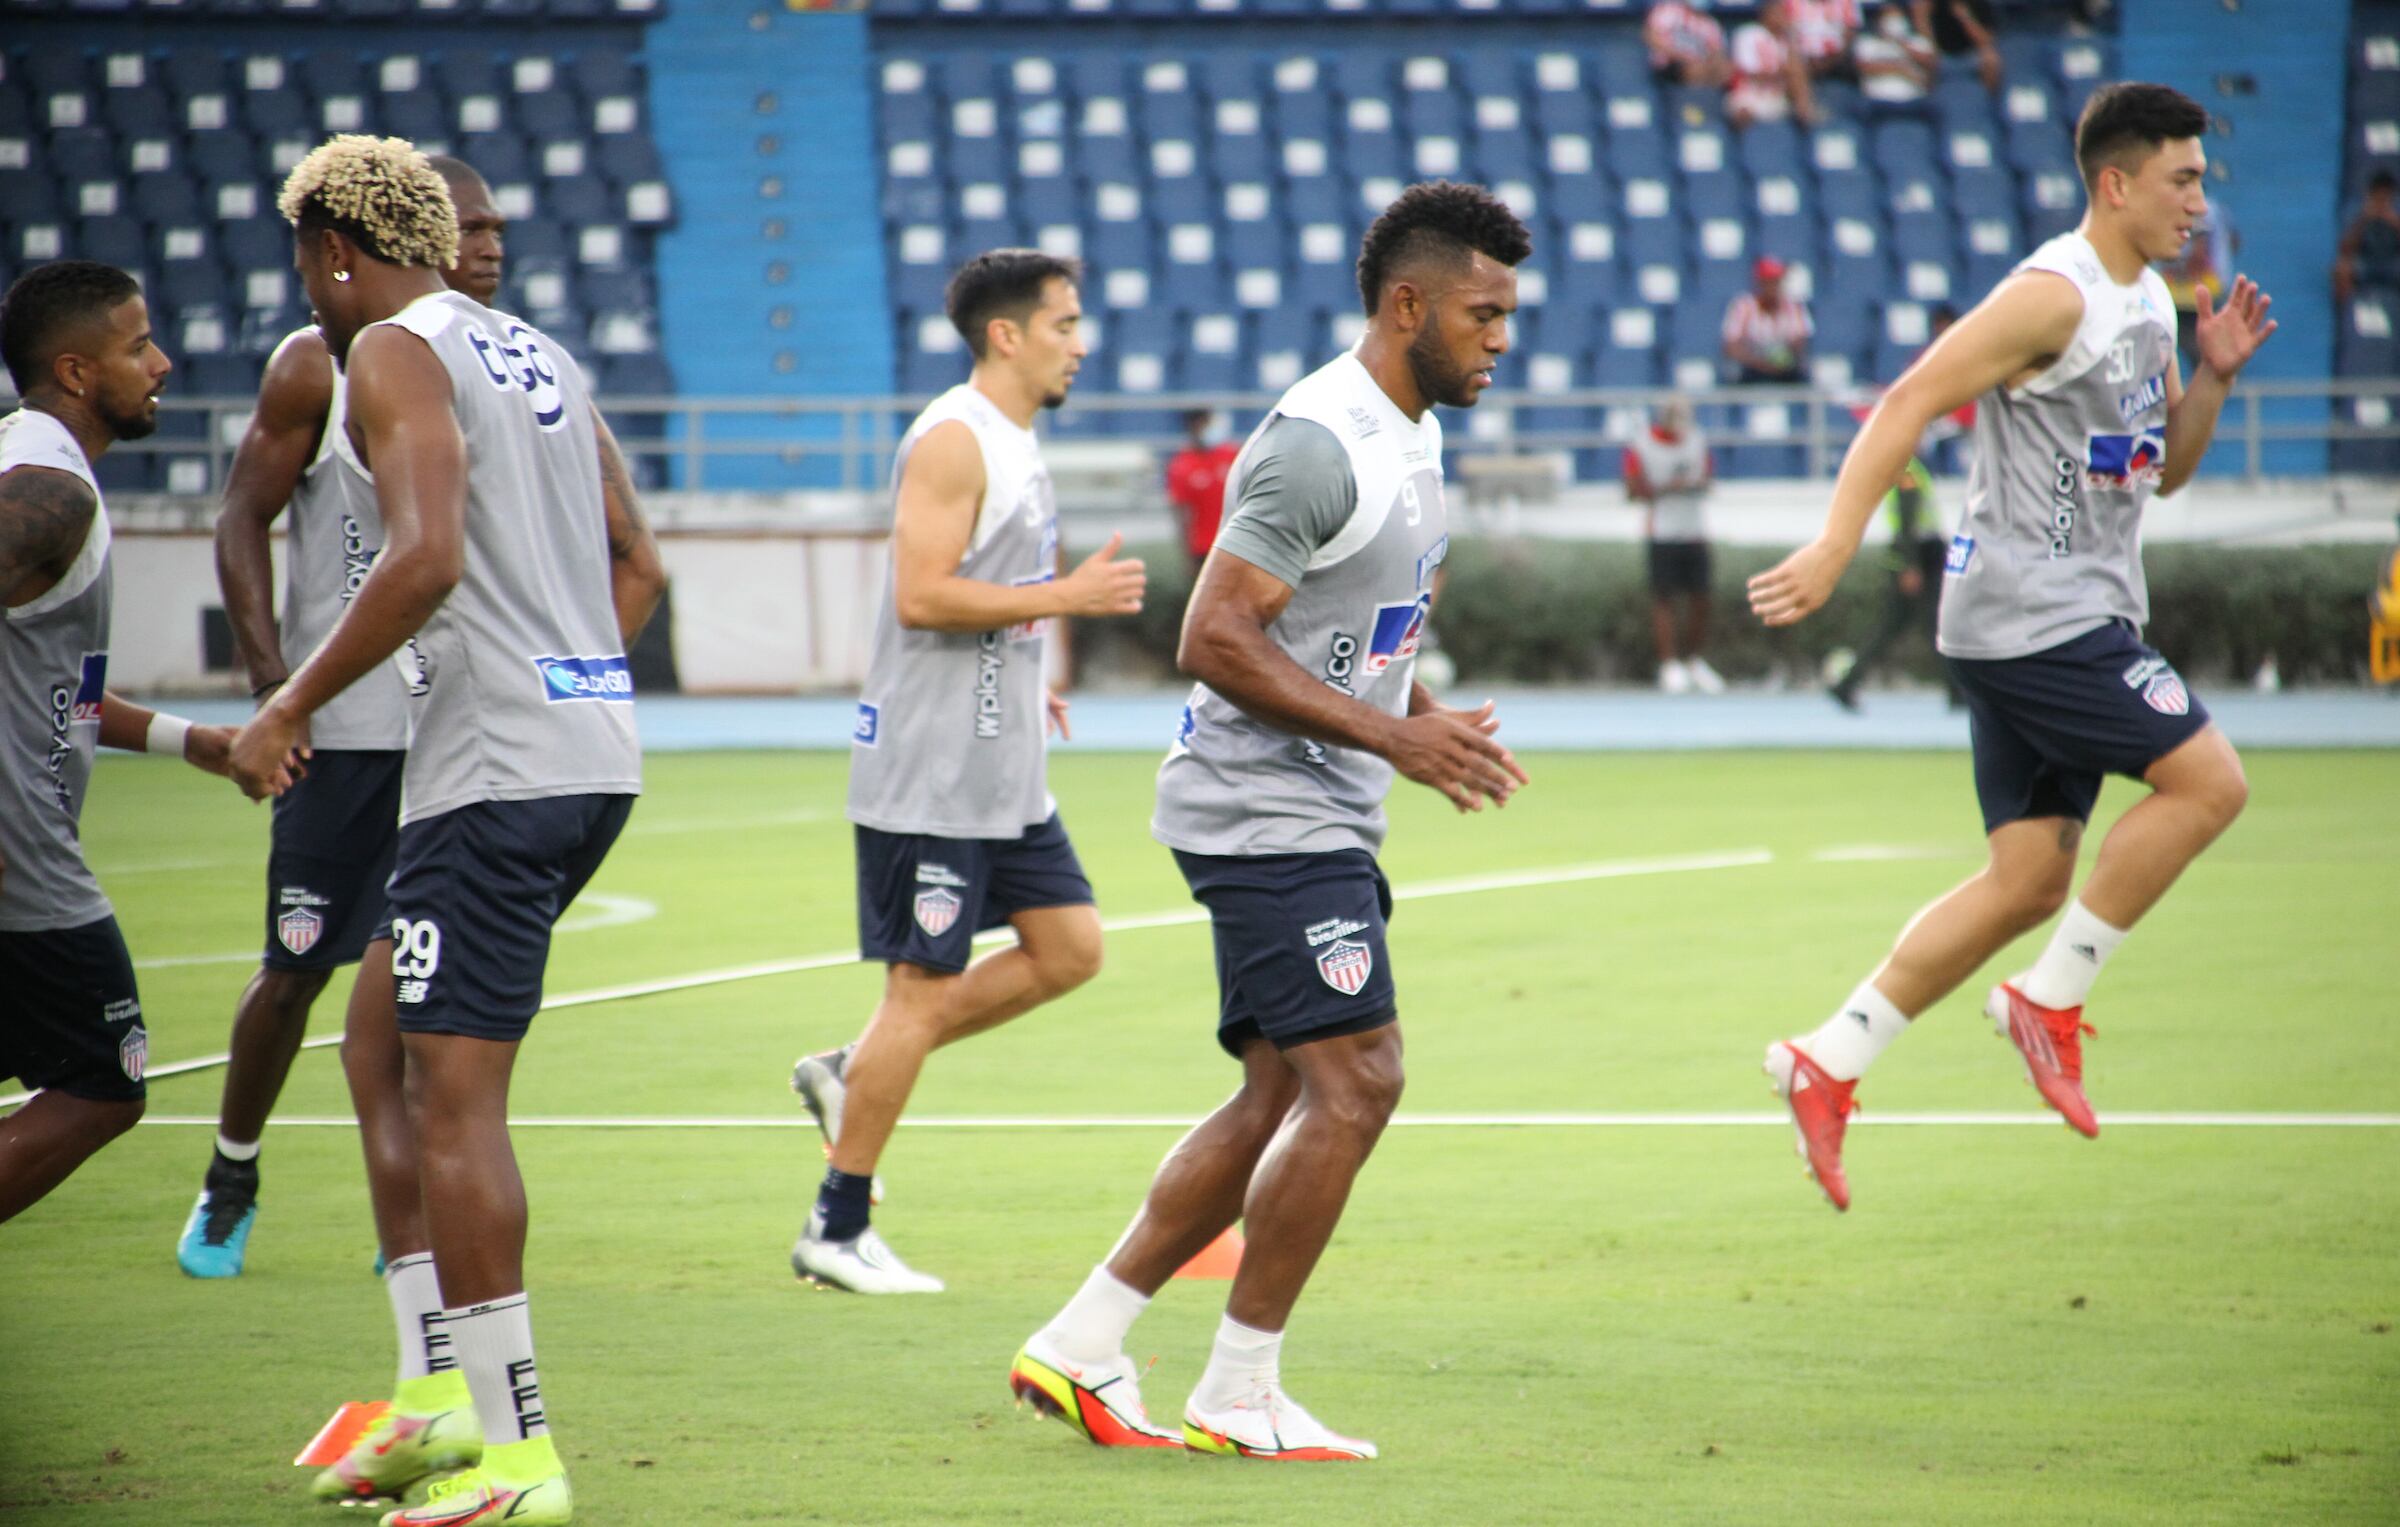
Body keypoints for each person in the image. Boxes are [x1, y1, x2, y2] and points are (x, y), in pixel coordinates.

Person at [1010, 181, 1530, 1462]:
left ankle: (1080, 1345)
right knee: (1360, 1082)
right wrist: (1397, 736)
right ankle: (1238, 1392)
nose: (1500, 338)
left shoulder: (1414, 431)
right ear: (1407, 303)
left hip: (1313, 805)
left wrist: (1426, 714)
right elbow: (1214, 636)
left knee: (1278, 1095)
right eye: (1482, 312)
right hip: (1264, 809)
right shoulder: (1320, 440)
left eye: (1508, 314)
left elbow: (1357, 634)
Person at [231, 134, 663, 1526]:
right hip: (587, 744)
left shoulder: (391, 353)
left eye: (306, 261)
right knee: (377, 1040)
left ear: (336, 251)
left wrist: (287, 700)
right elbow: (621, 555)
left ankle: (516, 1447)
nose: (308, 287)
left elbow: (425, 557)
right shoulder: (531, 348)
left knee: (454, 1095)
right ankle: (430, 1388)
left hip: (492, 763)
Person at [1746, 84, 2274, 1211]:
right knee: (2209, 783)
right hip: (2035, 616)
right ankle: (2049, 1002)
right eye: (2181, 179)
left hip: (2061, 613)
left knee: (2030, 879)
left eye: (2201, 180)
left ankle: (1827, 1059)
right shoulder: (2054, 295)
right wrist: (1838, 545)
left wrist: (2215, 374)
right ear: (2114, 183)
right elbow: (1907, 400)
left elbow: (2164, 470)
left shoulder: (2147, 306)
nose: (2197, 201)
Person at [177, 154, 509, 1280]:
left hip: (453, 740)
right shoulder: (314, 369)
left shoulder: (492, 370)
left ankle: (410, 1234)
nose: (487, 248)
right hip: (344, 735)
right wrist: (280, 688)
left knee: (419, 1000)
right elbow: (241, 519)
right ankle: (232, 1166)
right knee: (295, 971)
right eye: (466, 226)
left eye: (497, 228)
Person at [787, 249, 1144, 1295]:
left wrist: (1031, 669)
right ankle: (836, 1228)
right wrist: (1064, 604)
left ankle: (851, 1074)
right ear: (1008, 335)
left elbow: (995, 590)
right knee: (920, 988)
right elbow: (923, 596)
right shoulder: (954, 437)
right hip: (932, 766)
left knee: (1070, 949)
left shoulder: (1017, 443)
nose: (1081, 343)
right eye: (1066, 324)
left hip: (1000, 761)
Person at [0, 261, 237, 1224]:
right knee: (105, 1080)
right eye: (137, 344)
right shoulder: (52, 489)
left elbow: (70, 691)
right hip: (26, 871)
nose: (162, 363)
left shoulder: (45, 470)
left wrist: (196, 741)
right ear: (76, 369)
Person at [1622, 397, 1724, 694]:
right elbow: (1632, 489)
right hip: (1662, 531)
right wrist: (1666, 487)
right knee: (1664, 598)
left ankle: (1693, 660)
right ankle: (1669, 665)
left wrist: (1695, 483)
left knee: (1701, 597)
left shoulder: (1696, 441)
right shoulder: (1642, 445)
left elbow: (1708, 478)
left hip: (1694, 530)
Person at [1165, 407, 1239, 574]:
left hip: (1236, 545)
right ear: (1195, 427)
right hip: (1203, 549)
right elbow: (1180, 513)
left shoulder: (1231, 455)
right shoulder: (1181, 465)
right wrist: (1186, 554)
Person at [1728, 0, 1819, 130]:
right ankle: (1742, 146)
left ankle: (1805, 116)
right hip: (1749, 93)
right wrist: (1782, 74)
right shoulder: (1749, 33)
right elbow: (1749, 73)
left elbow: (1799, 72)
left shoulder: (1785, 40)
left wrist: (1791, 37)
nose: (1783, 18)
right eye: (1778, 14)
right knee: (1742, 111)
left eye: (1784, 14)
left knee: (1796, 73)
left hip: (1778, 96)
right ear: (1767, 14)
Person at [1723, 255, 1812, 384]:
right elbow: (1731, 346)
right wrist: (1759, 362)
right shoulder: (1744, 306)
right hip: (1752, 368)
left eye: (1777, 281)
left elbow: (1800, 341)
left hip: (1784, 369)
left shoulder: (1794, 307)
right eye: (1769, 281)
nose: (1773, 287)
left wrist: (1781, 358)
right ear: (1760, 282)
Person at [1854, 1, 1938, 117]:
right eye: (1888, 16)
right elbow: (1864, 67)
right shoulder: (1868, 43)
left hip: (1914, 102)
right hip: (1878, 102)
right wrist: (1903, 71)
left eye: (1896, 16)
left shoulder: (1918, 42)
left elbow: (1930, 64)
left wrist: (1900, 42)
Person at [2334, 170, 2400, 302]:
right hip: (2366, 262)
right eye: (2378, 196)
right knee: (2341, 270)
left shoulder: (2396, 212)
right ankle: (2346, 314)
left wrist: (2393, 222)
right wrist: (2363, 221)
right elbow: (2345, 248)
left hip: (2392, 261)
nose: (2381, 201)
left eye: (2385, 197)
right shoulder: (2356, 212)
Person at [1910, 0, 2002, 92]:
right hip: (1941, 55)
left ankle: (1992, 97)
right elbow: (1924, 38)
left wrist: (1964, 17)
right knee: (1922, 56)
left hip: (1971, 53)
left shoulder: (1978, 3)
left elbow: (1986, 40)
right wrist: (1924, 17)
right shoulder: (1931, 4)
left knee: (1991, 59)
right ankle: (1930, 98)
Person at [1645, 0, 1732, 89]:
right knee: (1692, 68)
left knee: (1721, 69)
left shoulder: (1711, 25)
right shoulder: (1669, 11)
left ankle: (1698, 95)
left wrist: (1702, 62)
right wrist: (1683, 56)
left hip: (1698, 66)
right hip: (1667, 65)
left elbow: (1716, 54)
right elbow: (1652, 37)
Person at [1788, 0, 1862, 81]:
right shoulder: (1790, 2)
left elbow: (1850, 35)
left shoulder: (1846, 2)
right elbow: (1785, 35)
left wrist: (1828, 62)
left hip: (1837, 65)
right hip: (1801, 63)